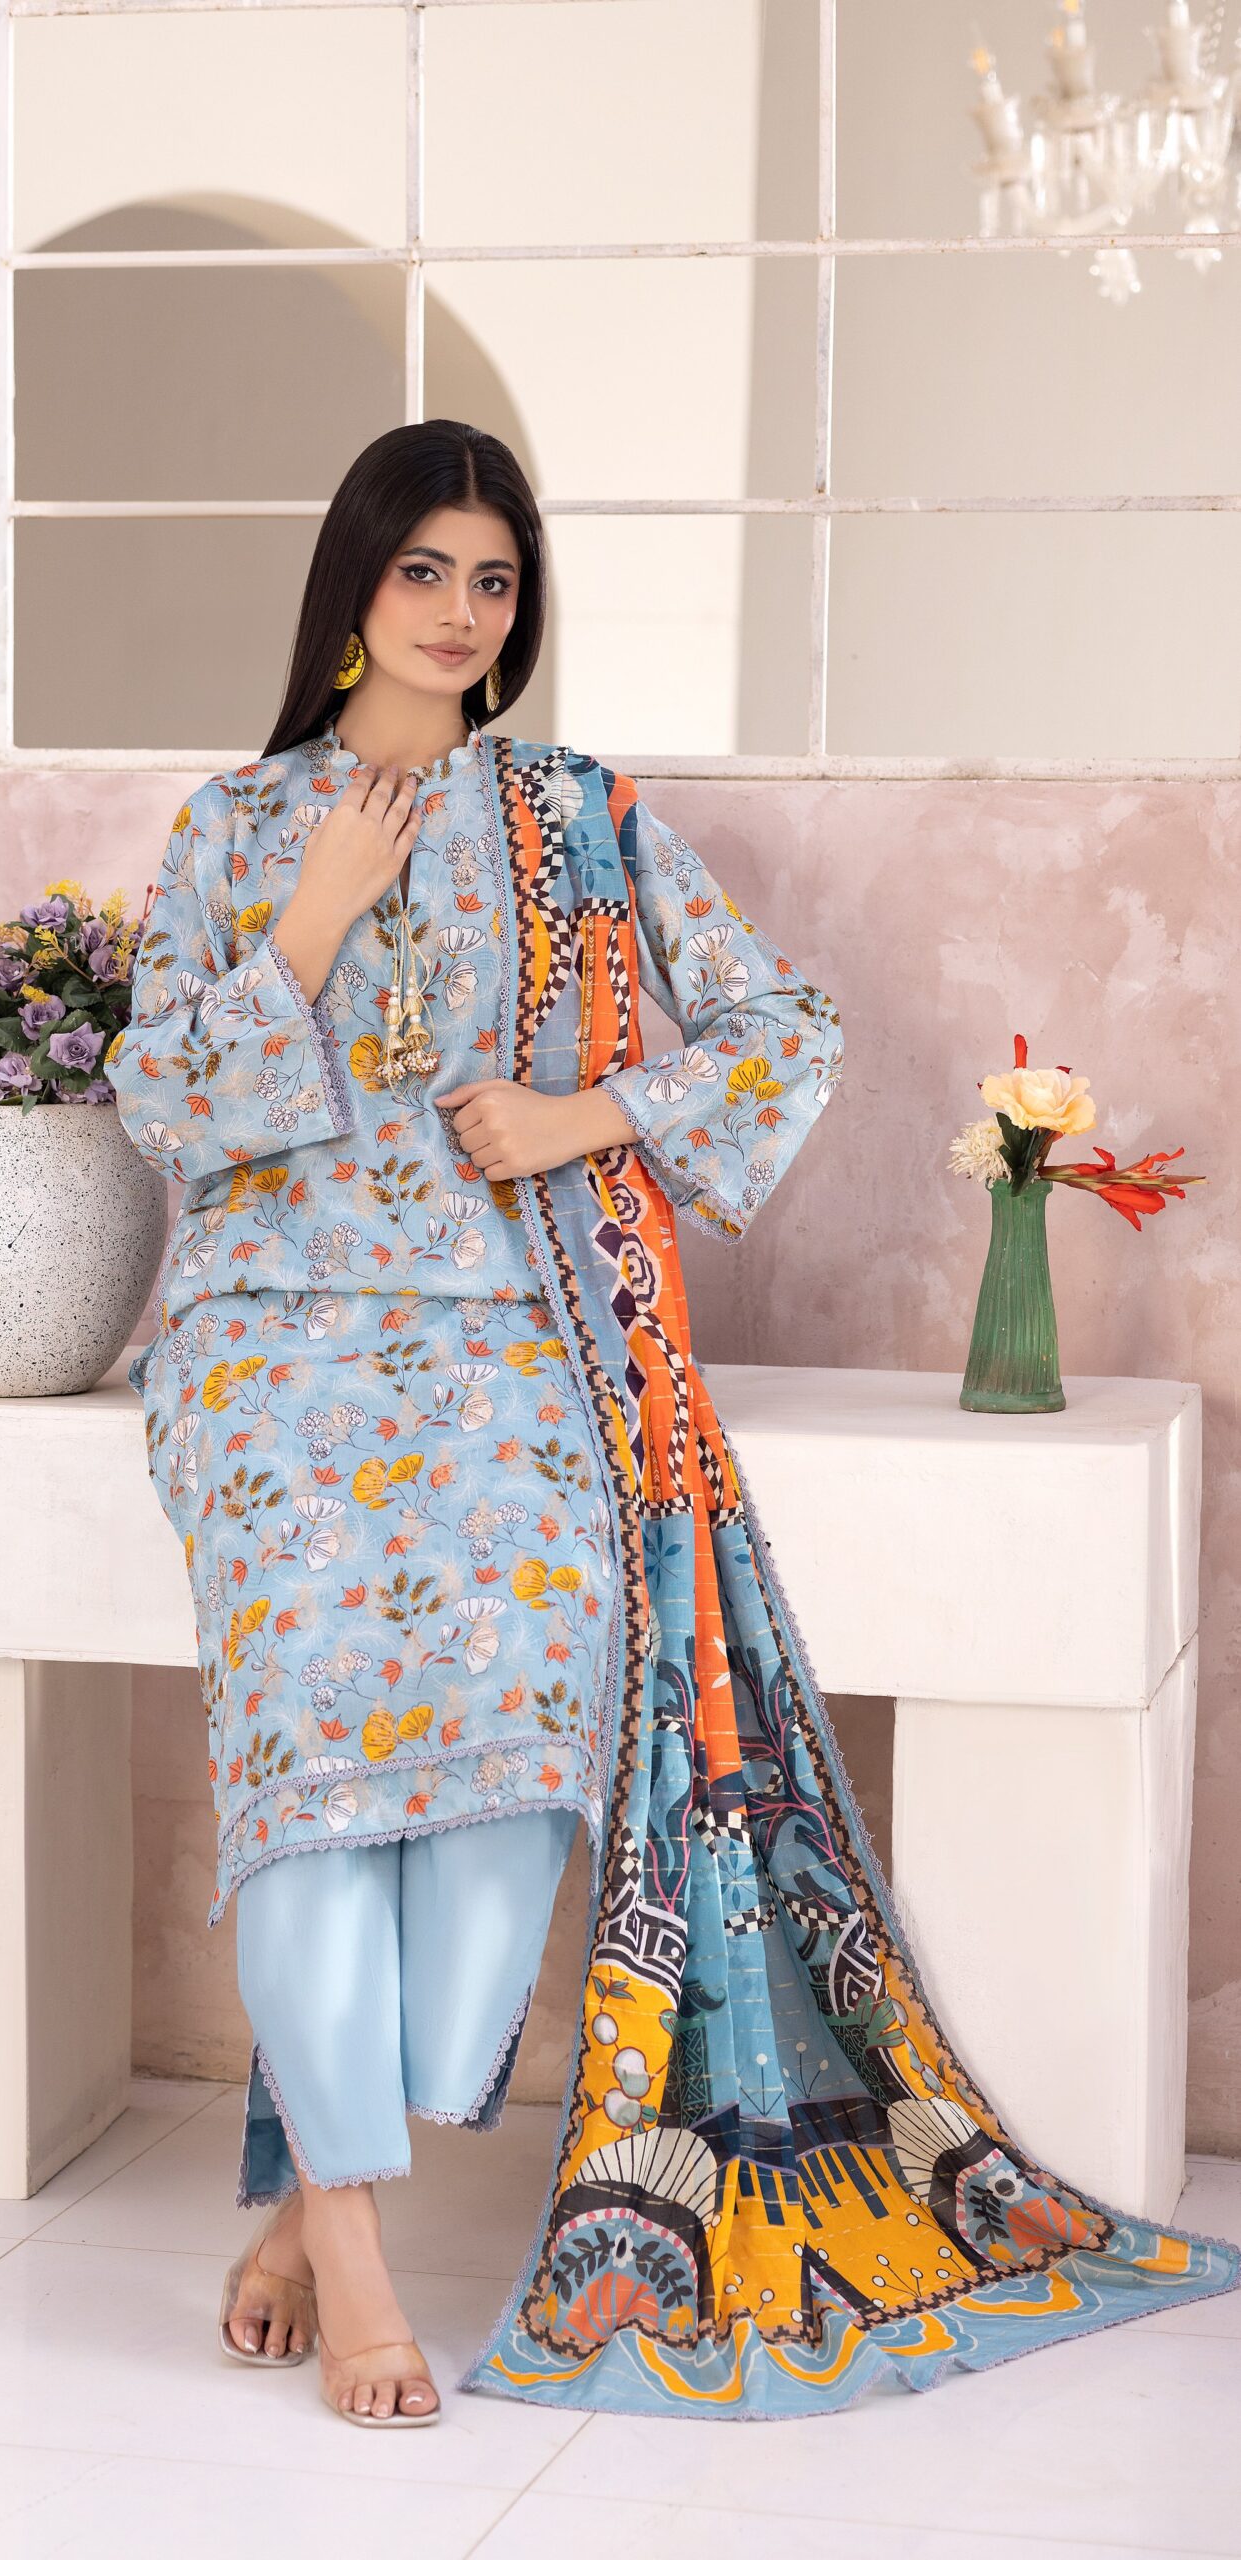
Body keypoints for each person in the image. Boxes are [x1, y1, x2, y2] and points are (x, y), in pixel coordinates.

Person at [107, 419, 1239, 2428]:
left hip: (514, 1345)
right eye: (425, 571)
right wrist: (312, 916)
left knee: (502, 1806)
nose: (462, 613)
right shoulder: (234, 826)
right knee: (308, 1787)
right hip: (270, 1357)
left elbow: (783, 1025)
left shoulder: (578, 818)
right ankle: (349, 2255)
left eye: (494, 580)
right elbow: (168, 1109)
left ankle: (296, 2194)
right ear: (352, 582)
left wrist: (580, 1113)